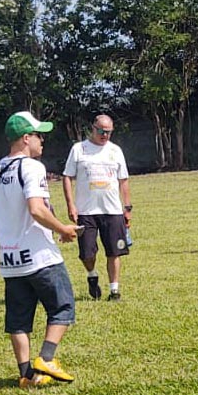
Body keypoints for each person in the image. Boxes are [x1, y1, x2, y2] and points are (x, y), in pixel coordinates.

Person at [0, 111, 80, 389]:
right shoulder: (32, 168)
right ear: (26, 139)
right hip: (40, 257)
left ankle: (26, 375)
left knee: (19, 318)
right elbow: (37, 209)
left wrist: (12, 233)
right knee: (63, 306)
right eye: (39, 135)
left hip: (10, 259)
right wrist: (62, 229)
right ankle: (46, 359)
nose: (42, 141)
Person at [61, 114, 131, 301]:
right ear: (92, 128)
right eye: (101, 131)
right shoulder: (79, 149)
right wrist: (71, 205)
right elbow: (67, 176)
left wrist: (127, 207)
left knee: (114, 251)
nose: (105, 135)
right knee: (86, 253)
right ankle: (92, 275)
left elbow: (123, 180)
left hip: (112, 210)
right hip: (86, 211)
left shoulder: (116, 151)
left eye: (108, 132)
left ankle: (114, 291)